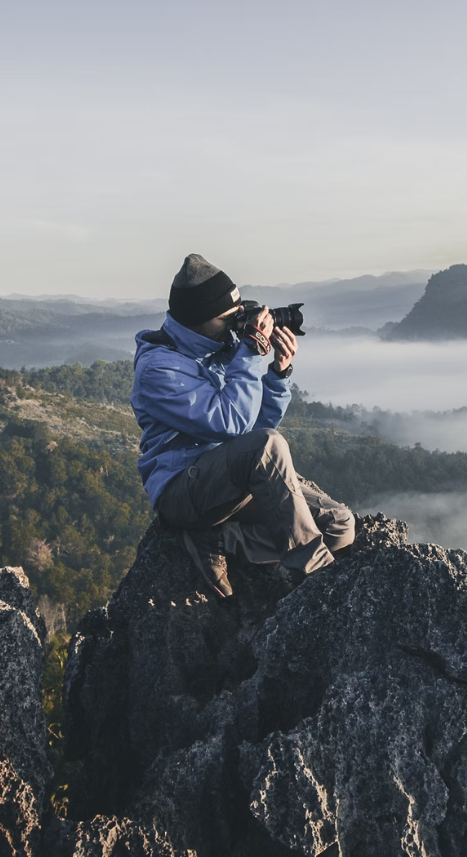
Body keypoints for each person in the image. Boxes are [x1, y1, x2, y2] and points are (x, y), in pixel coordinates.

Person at [131, 253, 354, 598]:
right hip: (183, 490)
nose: (238, 324)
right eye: (229, 318)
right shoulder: (159, 369)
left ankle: (220, 539)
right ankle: (315, 581)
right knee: (269, 445)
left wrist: (278, 375)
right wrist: (250, 351)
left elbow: (253, 430)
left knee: (339, 525)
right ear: (198, 320)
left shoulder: (220, 348)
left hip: (230, 482)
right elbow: (233, 425)